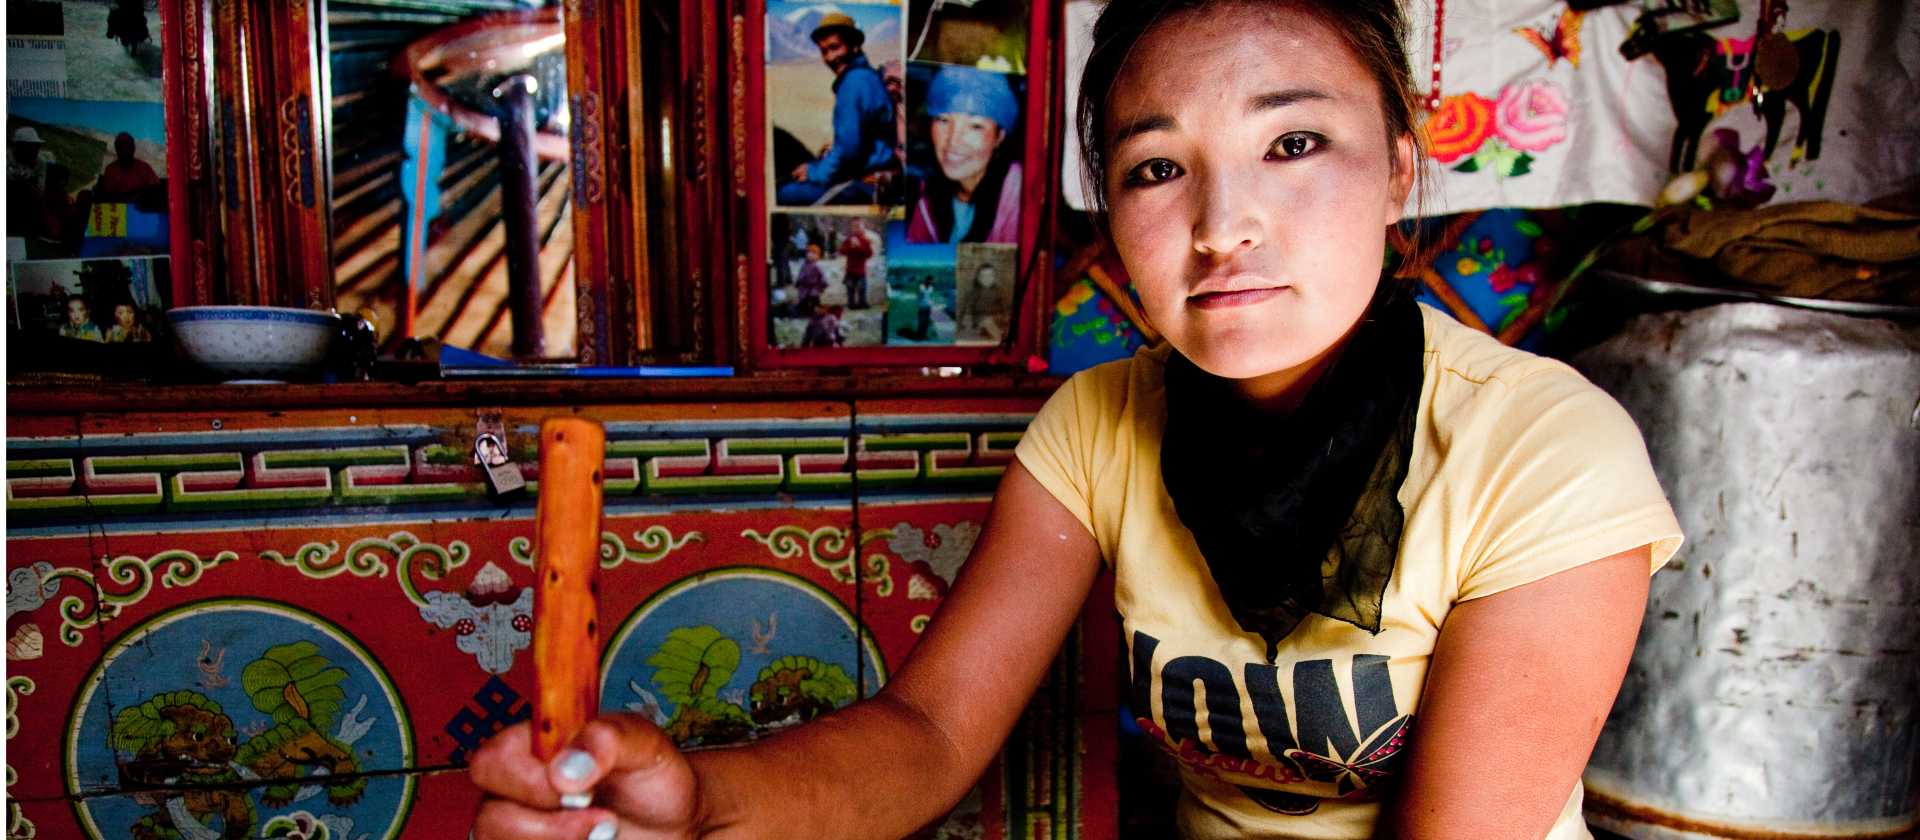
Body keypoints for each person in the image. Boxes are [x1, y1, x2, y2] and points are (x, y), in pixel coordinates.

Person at [471, 3, 1682, 839]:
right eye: (1159, 168)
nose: (1223, 225)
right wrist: (698, 807)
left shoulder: (1540, 450)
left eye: (1295, 142)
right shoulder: (1100, 424)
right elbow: (931, 733)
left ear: (1401, 170)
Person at [777, 13, 897, 206]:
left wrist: (814, 172)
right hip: (872, 173)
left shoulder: (854, 82)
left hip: (867, 183)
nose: (830, 57)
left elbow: (848, 151)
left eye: (835, 47)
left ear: (855, 45)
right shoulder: (865, 76)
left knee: (786, 194)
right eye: (824, 51)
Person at [907, 65, 1022, 244]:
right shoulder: (928, 191)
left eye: (975, 126)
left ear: (999, 137)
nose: (953, 141)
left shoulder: (1016, 188)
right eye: (943, 120)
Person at [93, 133, 160, 203]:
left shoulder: (144, 168)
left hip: (141, 208)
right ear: (117, 150)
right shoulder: (111, 170)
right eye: (121, 148)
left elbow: (155, 189)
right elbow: (108, 196)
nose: (124, 152)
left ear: (133, 149)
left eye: (127, 148)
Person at [960, 261, 1005, 341]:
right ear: (978, 278)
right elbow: (964, 308)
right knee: (987, 321)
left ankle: (995, 333)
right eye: (983, 276)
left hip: (995, 317)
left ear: (994, 277)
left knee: (996, 321)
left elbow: (1002, 307)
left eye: (990, 276)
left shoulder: (998, 290)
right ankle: (998, 337)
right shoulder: (974, 291)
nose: (987, 279)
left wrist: (1000, 316)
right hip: (980, 319)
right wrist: (961, 322)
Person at [838, 218, 874, 309]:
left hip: (861, 270)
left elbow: (869, 254)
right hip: (850, 270)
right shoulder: (848, 240)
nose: (856, 229)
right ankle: (851, 303)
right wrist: (850, 247)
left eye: (859, 226)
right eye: (854, 226)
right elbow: (842, 251)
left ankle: (862, 302)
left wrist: (859, 247)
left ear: (863, 227)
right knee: (850, 288)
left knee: (862, 288)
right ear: (851, 228)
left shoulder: (865, 241)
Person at [793, 244, 827, 316]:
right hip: (804, 287)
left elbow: (822, 276)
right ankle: (803, 311)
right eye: (809, 253)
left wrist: (823, 284)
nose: (810, 255)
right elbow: (800, 275)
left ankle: (815, 312)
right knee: (803, 300)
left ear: (817, 256)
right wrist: (798, 282)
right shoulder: (804, 265)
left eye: (813, 254)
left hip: (814, 287)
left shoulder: (817, 266)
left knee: (814, 299)